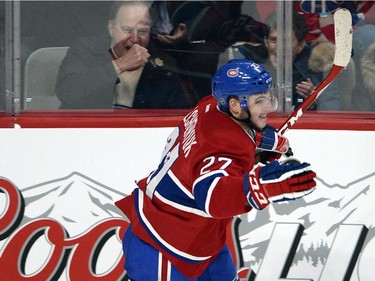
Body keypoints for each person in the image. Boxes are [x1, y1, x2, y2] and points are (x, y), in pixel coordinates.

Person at [115, 59, 317, 280]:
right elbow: (211, 195)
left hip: (196, 239)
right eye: (259, 101)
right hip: (162, 248)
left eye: (268, 97)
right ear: (234, 105)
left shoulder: (210, 105)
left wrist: (257, 143)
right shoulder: (223, 146)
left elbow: (212, 148)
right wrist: (260, 186)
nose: (268, 106)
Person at [55, 1, 190, 109]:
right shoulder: (86, 50)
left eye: (142, 31)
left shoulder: (163, 66)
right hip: (85, 131)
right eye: (127, 30)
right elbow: (67, 92)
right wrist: (120, 65)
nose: (135, 38)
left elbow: (177, 116)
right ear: (112, 29)